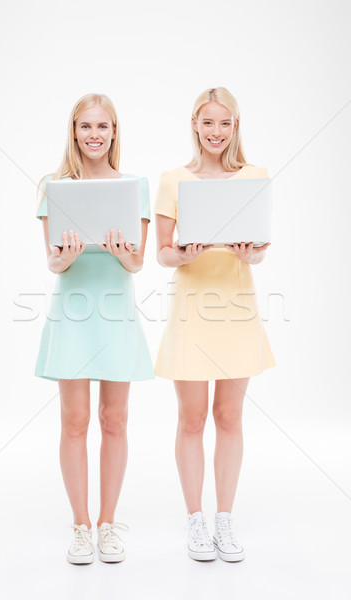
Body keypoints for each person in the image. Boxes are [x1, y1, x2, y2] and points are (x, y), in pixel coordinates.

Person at [154, 87, 276, 562]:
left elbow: (262, 247)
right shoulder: (173, 180)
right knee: (192, 417)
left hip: (236, 306)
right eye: (209, 123)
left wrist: (254, 252)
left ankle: (224, 518)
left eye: (225, 123)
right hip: (193, 307)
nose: (216, 132)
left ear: (235, 127)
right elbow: (162, 252)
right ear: (194, 124)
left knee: (229, 416)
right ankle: (195, 521)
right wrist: (182, 253)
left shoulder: (253, 176)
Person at [34, 93, 154, 564]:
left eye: (103, 127)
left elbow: (138, 263)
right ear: (74, 132)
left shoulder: (133, 187)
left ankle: (107, 525)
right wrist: (63, 258)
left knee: (115, 421)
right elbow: (53, 264)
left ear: (114, 133)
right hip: (74, 313)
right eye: (86, 127)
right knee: (75, 422)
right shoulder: (54, 186)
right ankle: (80, 525)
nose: (95, 135)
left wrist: (123, 251)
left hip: (115, 313)